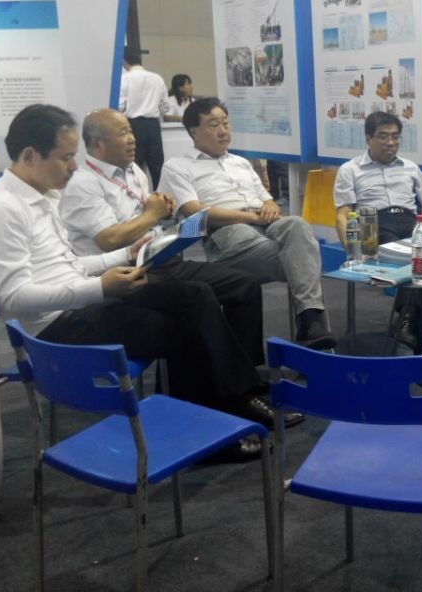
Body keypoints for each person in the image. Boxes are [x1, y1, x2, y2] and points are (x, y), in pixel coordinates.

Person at [0, 104, 290, 462]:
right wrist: (100, 287)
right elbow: (13, 298)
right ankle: (214, 421)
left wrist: (123, 256)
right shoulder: (3, 208)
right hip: (54, 330)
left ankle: (212, 417)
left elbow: (68, 265)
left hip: (81, 304)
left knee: (195, 307)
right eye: (65, 157)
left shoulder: (43, 196)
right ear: (30, 156)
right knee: (189, 318)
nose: (74, 166)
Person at [57, 108, 307, 434]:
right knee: (197, 297)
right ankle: (238, 395)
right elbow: (110, 239)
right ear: (98, 144)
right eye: (123, 133)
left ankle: (247, 374)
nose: (133, 139)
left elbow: (147, 217)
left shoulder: (133, 171)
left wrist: (162, 216)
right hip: (121, 275)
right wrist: (153, 214)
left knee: (243, 285)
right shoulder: (84, 184)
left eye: (130, 130)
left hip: (158, 259)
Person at [158, 98, 335, 349]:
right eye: (213, 125)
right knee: (305, 255)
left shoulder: (240, 162)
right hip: (227, 233)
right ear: (193, 131)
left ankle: (309, 319)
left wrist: (270, 205)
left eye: (226, 123)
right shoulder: (178, 166)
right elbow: (195, 212)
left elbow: (267, 198)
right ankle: (310, 319)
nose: (223, 131)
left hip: (266, 224)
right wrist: (251, 217)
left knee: (297, 224)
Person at [334, 110, 422, 350]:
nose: (390, 142)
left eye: (395, 136)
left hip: (411, 222)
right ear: (368, 138)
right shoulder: (350, 169)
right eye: (383, 136)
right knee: (415, 259)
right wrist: (351, 252)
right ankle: (414, 332)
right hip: (374, 223)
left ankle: (408, 324)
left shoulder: (411, 168)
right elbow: (342, 215)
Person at [119, 47, 169, 187]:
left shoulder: (124, 79)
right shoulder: (157, 78)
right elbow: (165, 106)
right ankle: (162, 195)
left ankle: (138, 196)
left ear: (124, 61)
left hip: (133, 125)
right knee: (157, 166)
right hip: (153, 125)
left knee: (135, 165)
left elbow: (120, 106)